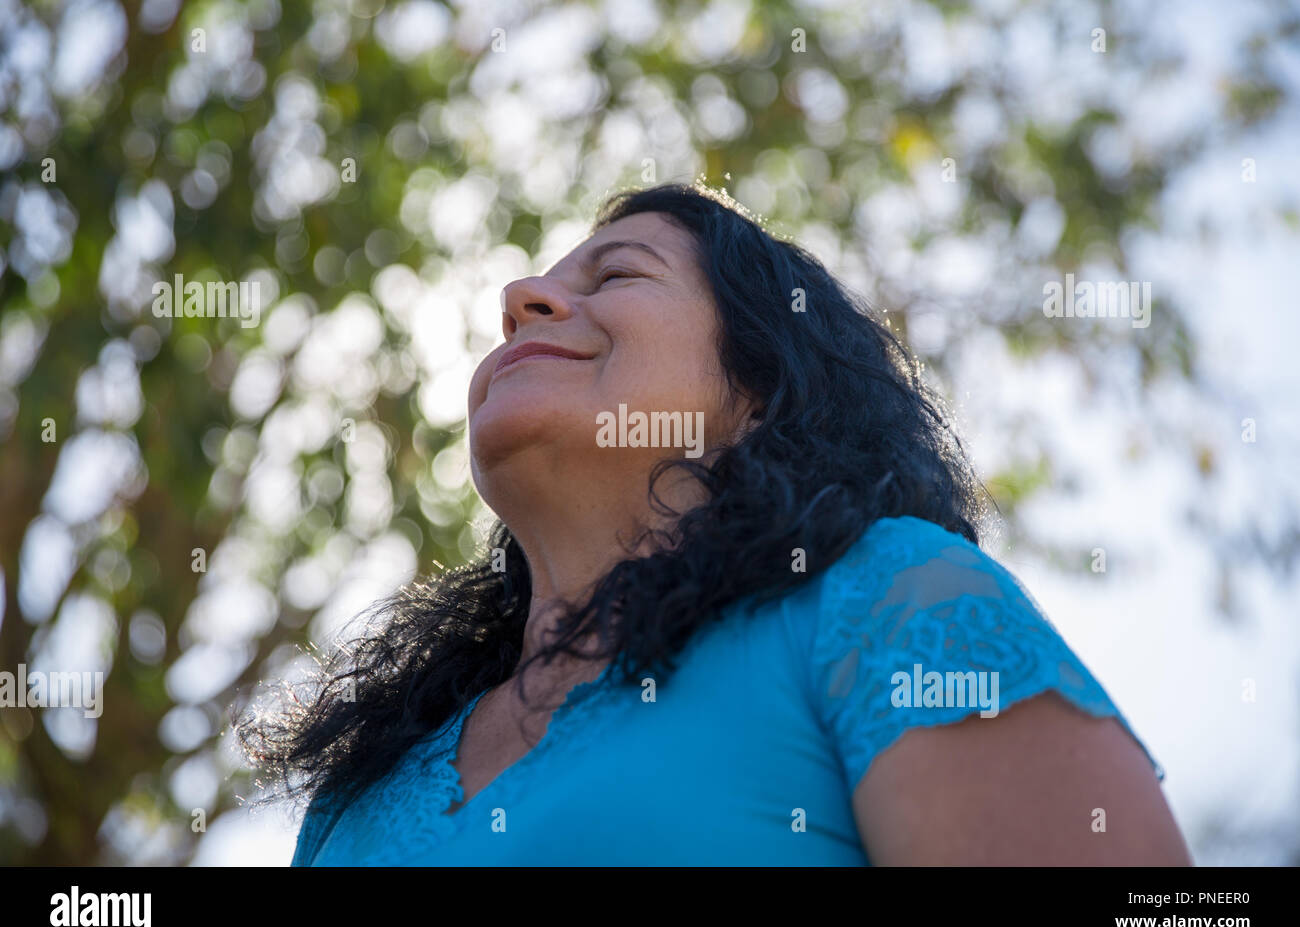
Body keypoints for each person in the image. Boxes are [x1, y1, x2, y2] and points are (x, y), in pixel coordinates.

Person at [242, 182, 1191, 866]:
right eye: (522, 302)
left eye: (617, 273)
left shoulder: (892, 600)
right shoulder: (354, 798)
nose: (519, 302)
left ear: (762, 384)